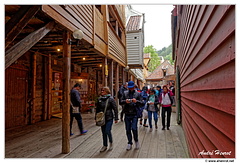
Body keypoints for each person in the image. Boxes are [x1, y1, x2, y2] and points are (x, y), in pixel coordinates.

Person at [120, 81, 143, 151]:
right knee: (127, 129)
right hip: (127, 113)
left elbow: (142, 103)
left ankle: (136, 140)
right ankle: (129, 142)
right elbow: (120, 101)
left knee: (134, 128)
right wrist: (125, 101)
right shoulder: (125, 93)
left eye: (132, 87)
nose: (131, 89)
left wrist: (136, 101)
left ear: (134, 87)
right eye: (129, 88)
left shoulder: (138, 94)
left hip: (134, 113)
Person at [96, 87, 119, 152]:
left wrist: (116, 117)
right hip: (102, 118)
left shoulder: (111, 99)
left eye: (103, 90)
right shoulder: (99, 99)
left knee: (107, 130)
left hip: (109, 117)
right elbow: (97, 109)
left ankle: (111, 142)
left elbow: (115, 108)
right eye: (102, 90)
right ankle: (105, 145)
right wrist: (96, 117)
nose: (102, 91)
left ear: (107, 91)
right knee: (103, 132)